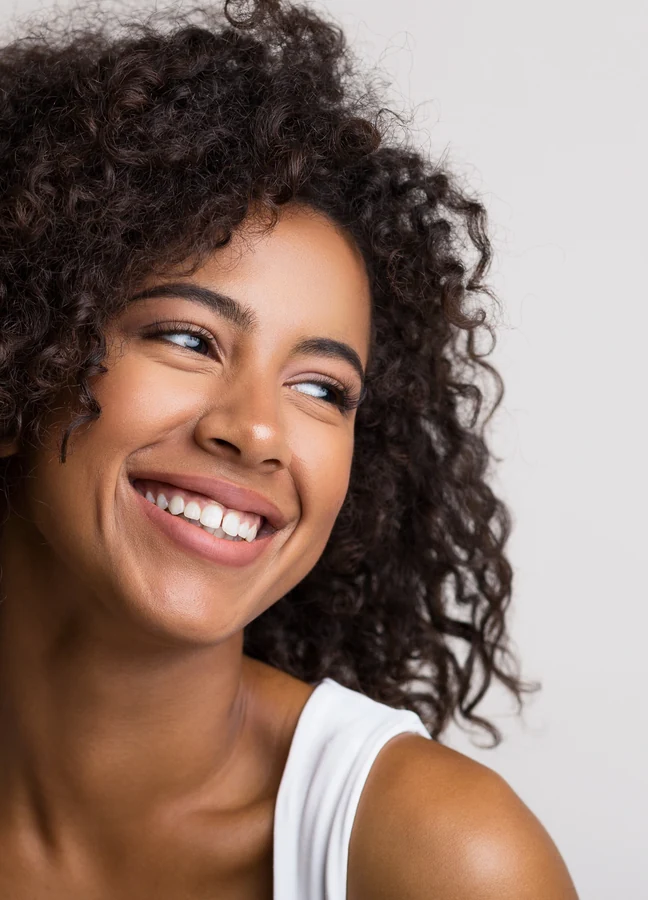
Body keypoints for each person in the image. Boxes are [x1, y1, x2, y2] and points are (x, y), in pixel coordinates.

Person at [0, 0, 579, 896]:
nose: (259, 431)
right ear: (22, 352)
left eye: (321, 390)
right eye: (188, 340)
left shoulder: (442, 860)